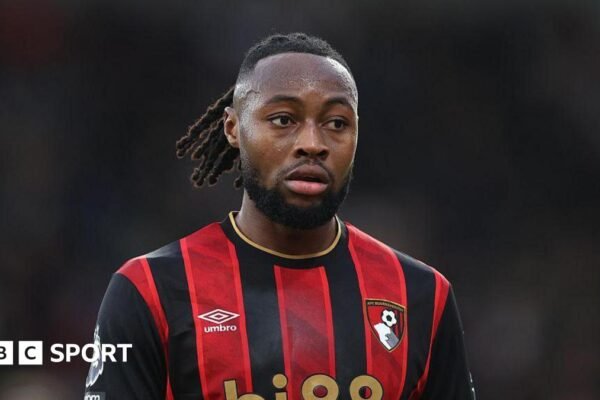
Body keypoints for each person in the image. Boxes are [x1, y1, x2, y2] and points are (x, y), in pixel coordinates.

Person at [84, 32, 475, 400]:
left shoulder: (422, 295)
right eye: (284, 120)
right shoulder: (150, 290)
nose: (312, 144)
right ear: (233, 129)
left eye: (337, 123)